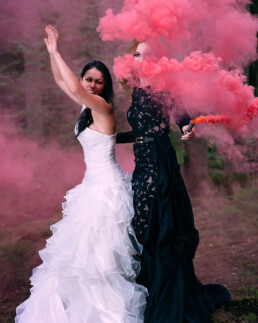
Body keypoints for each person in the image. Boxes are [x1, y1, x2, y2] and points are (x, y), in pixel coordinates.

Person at [15, 26, 147, 323]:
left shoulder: (102, 108)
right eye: (89, 79)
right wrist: (52, 55)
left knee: (98, 260)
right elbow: (63, 82)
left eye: (99, 82)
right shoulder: (86, 109)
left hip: (106, 190)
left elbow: (73, 86)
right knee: (78, 256)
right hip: (90, 187)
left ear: (105, 87)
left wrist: (55, 51)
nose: (92, 85)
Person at [116, 40, 231, 322]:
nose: (143, 59)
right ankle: (150, 288)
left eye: (149, 54)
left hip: (158, 161)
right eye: (137, 54)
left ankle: (163, 294)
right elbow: (140, 132)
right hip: (141, 162)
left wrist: (187, 127)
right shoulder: (134, 89)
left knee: (160, 223)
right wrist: (109, 138)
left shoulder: (163, 87)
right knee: (143, 225)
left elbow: (179, 115)